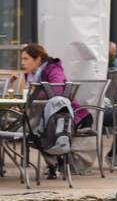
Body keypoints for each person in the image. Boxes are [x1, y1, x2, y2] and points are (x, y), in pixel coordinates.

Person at [20, 44, 92, 178]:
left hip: (68, 116)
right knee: (33, 128)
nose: (22, 62)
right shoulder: (31, 75)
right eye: (22, 59)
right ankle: (54, 164)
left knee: (34, 130)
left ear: (38, 59)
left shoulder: (53, 69)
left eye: (26, 59)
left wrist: (33, 95)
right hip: (44, 115)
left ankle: (54, 164)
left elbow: (57, 91)